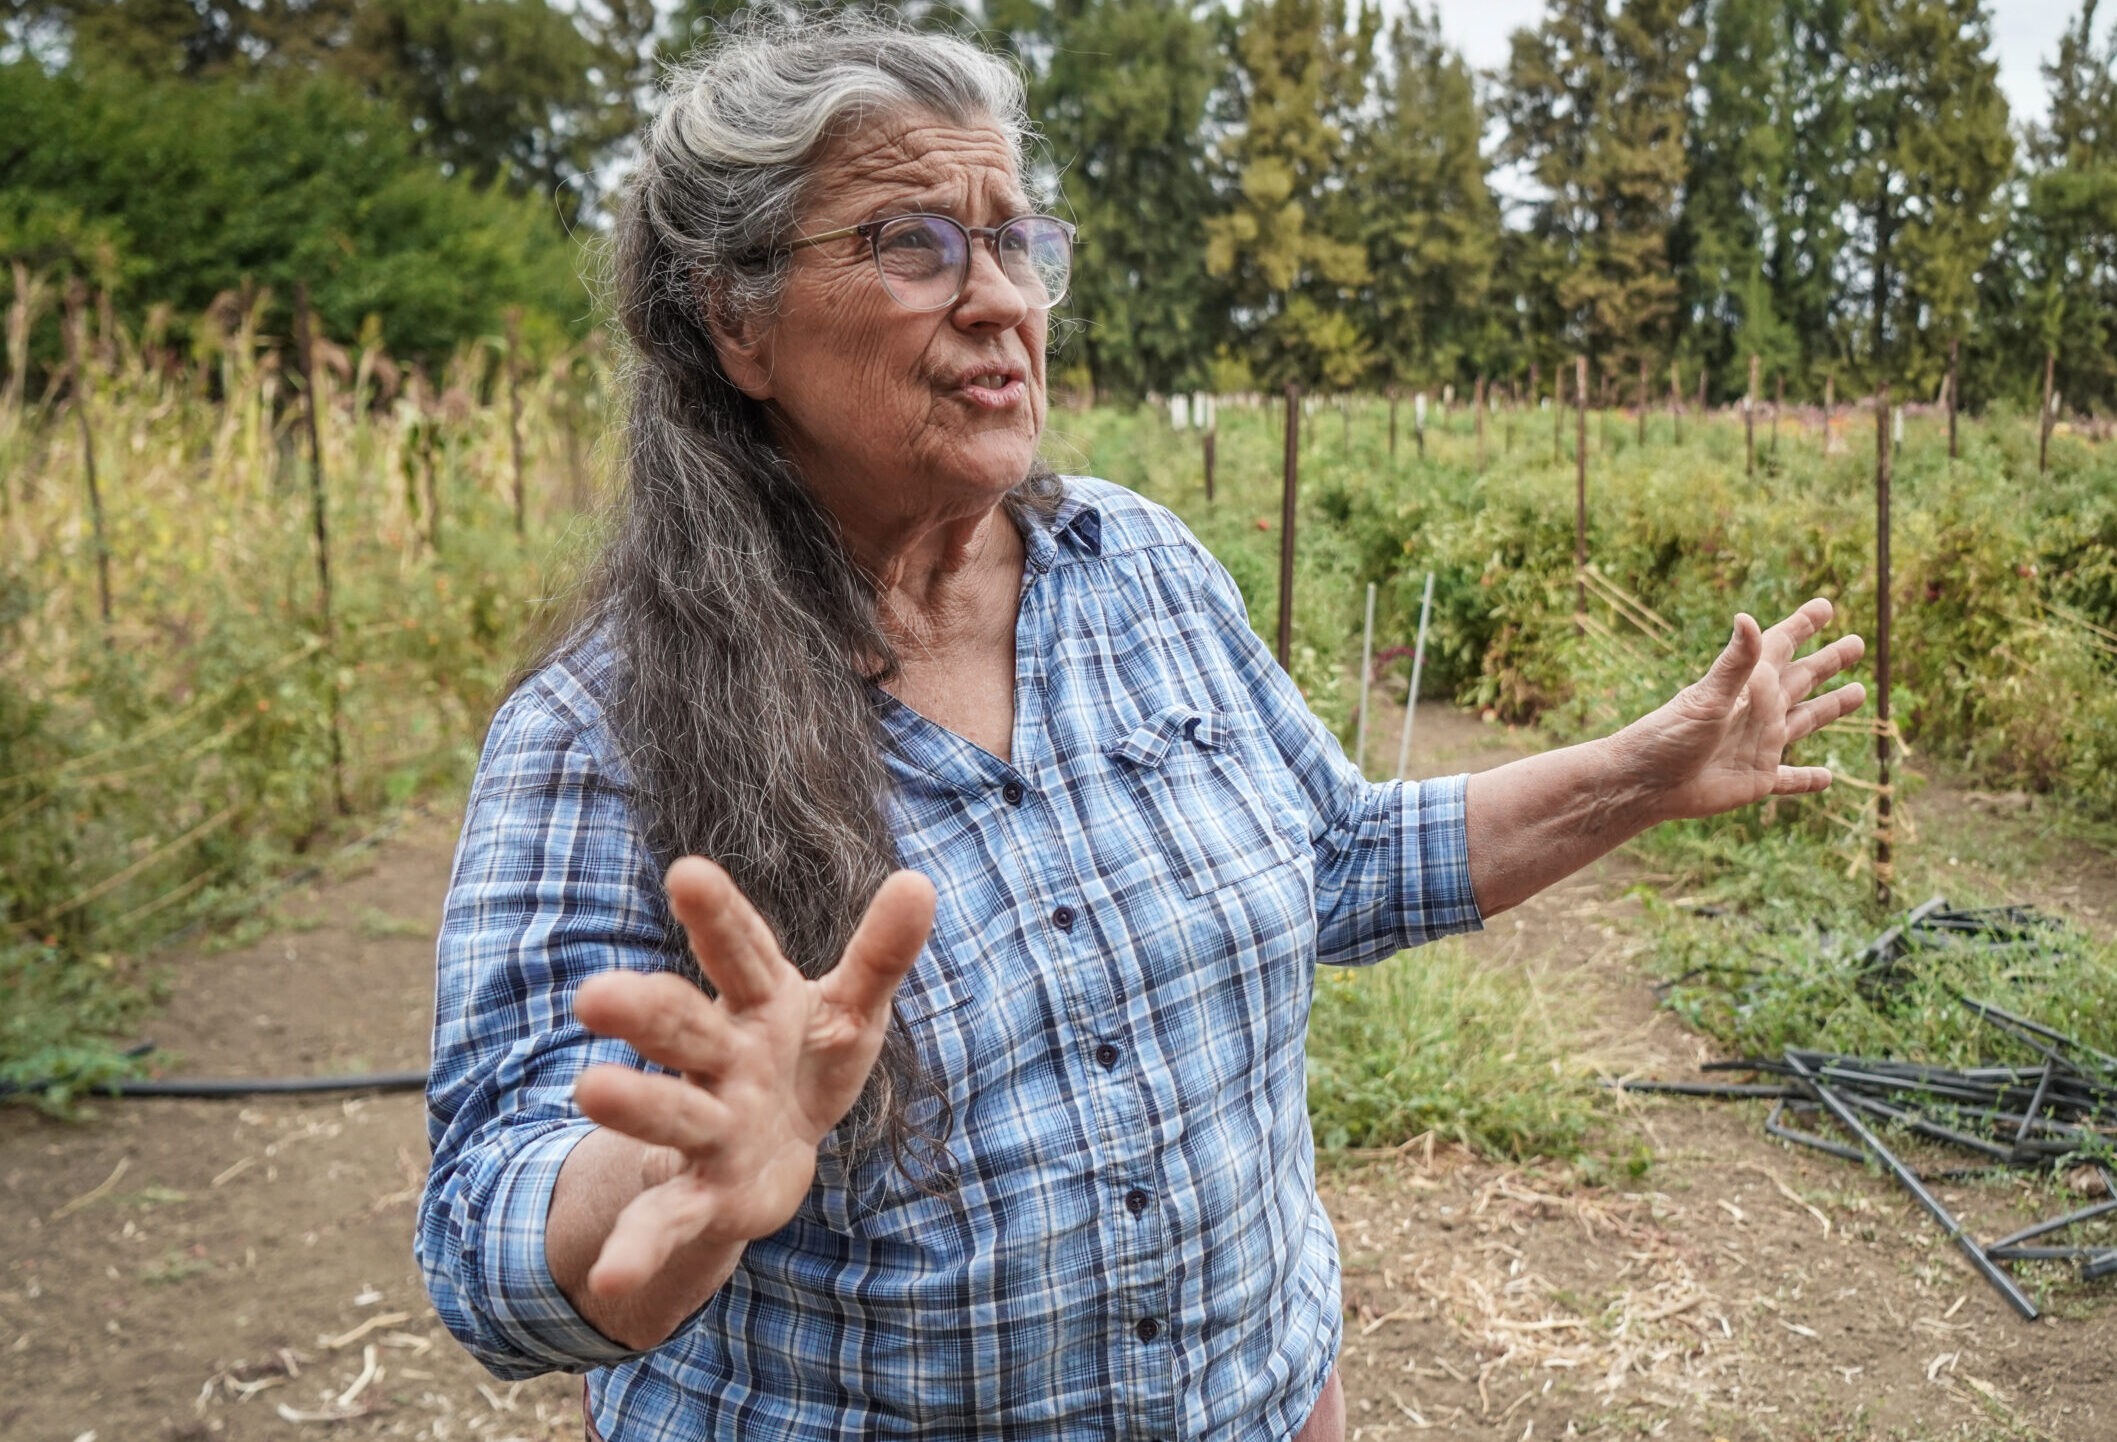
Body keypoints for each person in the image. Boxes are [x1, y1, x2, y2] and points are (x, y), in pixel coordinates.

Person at [416, 10, 1866, 1439]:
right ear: (737, 320)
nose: (997, 298)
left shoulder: (1142, 572)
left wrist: (1644, 771)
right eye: (912, 241)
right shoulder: (606, 726)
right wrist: (667, 1188)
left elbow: (1341, 857)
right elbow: (484, 1223)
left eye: (1016, 239)